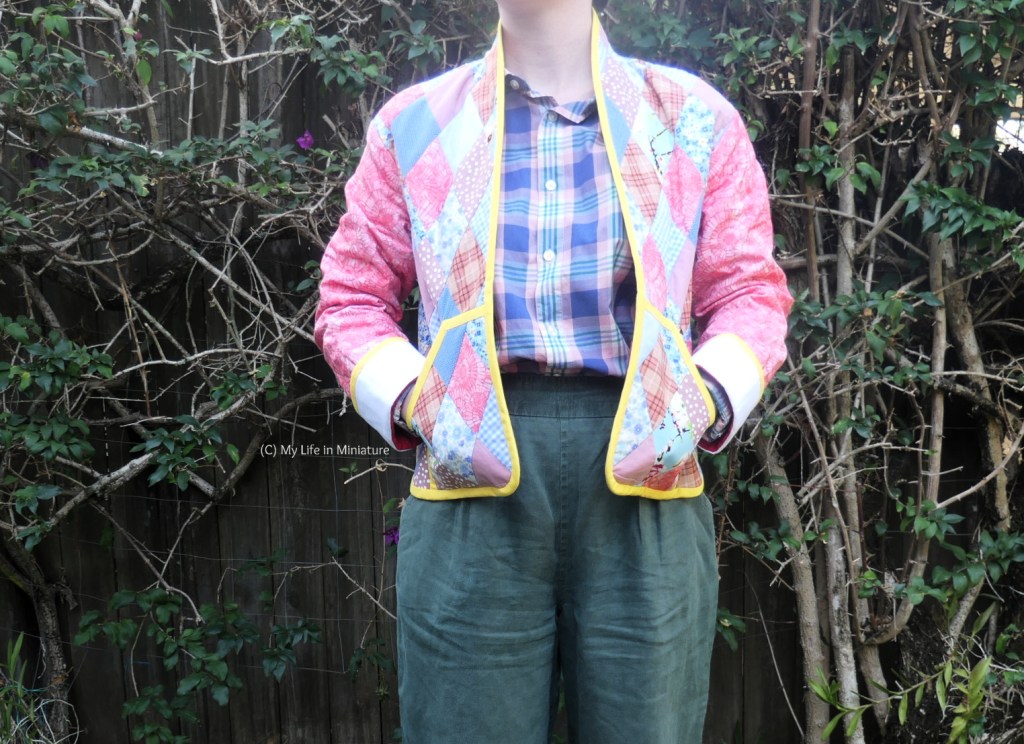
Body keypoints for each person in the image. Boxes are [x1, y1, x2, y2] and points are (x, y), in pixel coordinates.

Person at [314, 0, 792, 741]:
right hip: (470, 484)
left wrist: (699, 404)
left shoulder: (695, 120)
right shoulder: (414, 126)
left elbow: (748, 293)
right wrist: (422, 403)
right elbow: (349, 297)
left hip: (647, 484)